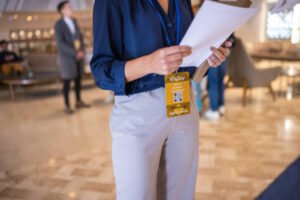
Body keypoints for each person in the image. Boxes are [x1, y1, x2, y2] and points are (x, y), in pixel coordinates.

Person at [91, 0, 231, 199]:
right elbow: (101, 71)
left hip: (184, 105)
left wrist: (207, 58)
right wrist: (149, 63)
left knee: (181, 194)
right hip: (138, 110)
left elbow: (189, 56)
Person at [55, 1, 89, 114]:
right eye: (68, 7)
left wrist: (82, 50)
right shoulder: (59, 25)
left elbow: (79, 37)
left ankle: (78, 101)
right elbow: (60, 44)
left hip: (78, 57)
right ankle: (67, 105)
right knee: (67, 82)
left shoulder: (74, 21)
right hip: (67, 59)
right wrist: (75, 53)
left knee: (78, 80)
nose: (71, 8)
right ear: (62, 10)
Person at [205, 34, 235, 120]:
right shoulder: (228, 26)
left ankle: (214, 110)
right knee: (220, 82)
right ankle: (221, 106)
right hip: (224, 54)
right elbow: (233, 41)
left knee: (213, 82)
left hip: (213, 55)